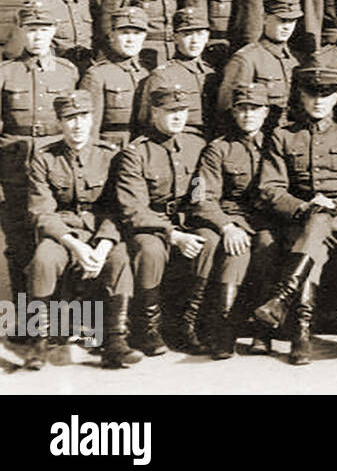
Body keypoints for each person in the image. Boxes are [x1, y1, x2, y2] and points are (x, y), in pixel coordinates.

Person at [255, 65, 337, 365]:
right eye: (312, 93)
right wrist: (304, 206)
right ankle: (301, 333)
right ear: (301, 96)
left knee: (319, 224)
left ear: (336, 98)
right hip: (301, 217)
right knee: (314, 244)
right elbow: (271, 188)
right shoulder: (283, 136)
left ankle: (285, 302)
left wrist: (335, 204)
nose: (319, 100)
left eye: (327, 94)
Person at [24, 90, 142, 369]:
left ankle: (115, 341)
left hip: (100, 232)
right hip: (63, 233)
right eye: (70, 118)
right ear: (59, 122)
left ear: (92, 119)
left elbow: (117, 208)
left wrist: (102, 246)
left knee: (120, 258)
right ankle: (38, 342)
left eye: (83, 117)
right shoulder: (43, 158)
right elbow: (41, 212)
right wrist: (75, 246)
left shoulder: (111, 156)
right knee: (44, 258)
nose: (77, 125)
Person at [116, 83, 216, 355]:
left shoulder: (196, 145)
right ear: (154, 112)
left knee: (209, 240)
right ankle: (147, 327)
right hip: (151, 223)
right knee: (150, 250)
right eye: (170, 110)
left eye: (182, 110)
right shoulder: (136, 152)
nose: (178, 116)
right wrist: (173, 234)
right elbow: (134, 208)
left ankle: (187, 324)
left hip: (187, 218)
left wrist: (193, 223)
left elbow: (201, 190)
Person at [189, 82, 279, 359]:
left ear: (265, 113)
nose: (248, 115)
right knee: (236, 251)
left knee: (267, 246)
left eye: (255, 109)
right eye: (242, 109)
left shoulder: (278, 144)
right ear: (234, 113)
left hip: (268, 219)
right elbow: (200, 197)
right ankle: (224, 331)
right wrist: (227, 225)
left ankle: (262, 334)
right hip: (233, 218)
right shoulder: (217, 149)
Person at [0, 0, 79, 302]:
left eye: (43, 29)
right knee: (19, 240)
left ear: (53, 31)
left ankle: (57, 312)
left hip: (55, 166)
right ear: (22, 31)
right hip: (14, 168)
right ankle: (24, 316)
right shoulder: (6, 73)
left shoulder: (67, 72)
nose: (37, 36)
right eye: (31, 29)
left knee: (56, 238)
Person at [218, 0, 303, 133]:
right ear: (264, 18)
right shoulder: (246, 58)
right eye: (281, 20)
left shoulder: (296, 59)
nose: (287, 27)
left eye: (292, 21)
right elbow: (227, 110)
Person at [137, 8, 216, 139]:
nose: (194, 40)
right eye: (187, 34)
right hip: (179, 142)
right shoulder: (163, 75)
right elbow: (148, 120)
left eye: (200, 34)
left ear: (207, 37)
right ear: (175, 38)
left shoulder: (211, 73)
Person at [80, 7, 150, 151]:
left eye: (137, 33)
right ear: (111, 36)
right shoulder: (97, 75)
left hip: (142, 150)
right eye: (124, 33)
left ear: (144, 37)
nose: (131, 39)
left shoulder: (147, 73)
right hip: (111, 150)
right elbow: (90, 128)